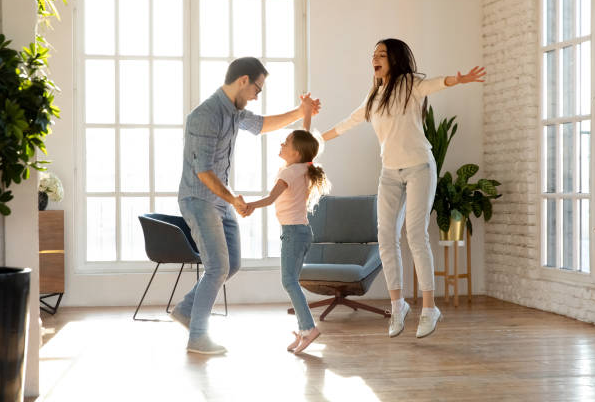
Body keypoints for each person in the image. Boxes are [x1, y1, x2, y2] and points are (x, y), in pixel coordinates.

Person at [321, 38, 485, 339]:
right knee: (385, 236)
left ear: (394, 59)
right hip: (390, 172)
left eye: (382, 54)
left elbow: (433, 84)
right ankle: (398, 306)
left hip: (420, 167)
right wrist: (316, 140)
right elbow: (349, 122)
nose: (375, 58)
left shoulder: (409, 84)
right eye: (373, 54)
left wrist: (457, 80)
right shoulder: (375, 95)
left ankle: (429, 308)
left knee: (415, 234)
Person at [172, 57, 321, 354]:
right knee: (217, 267)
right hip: (200, 198)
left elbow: (263, 124)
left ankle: (187, 310)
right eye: (257, 88)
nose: (257, 95)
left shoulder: (234, 113)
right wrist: (233, 199)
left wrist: (300, 112)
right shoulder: (206, 115)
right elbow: (203, 172)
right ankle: (198, 337)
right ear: (243, 80)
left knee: (233, 263)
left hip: (220, 199)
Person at [245, 100, 329, 354]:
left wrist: (249, 206)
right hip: (302, 233)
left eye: (286, 143)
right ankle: (305, 328)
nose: (281, 144)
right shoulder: (304, 165)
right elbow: (305, 138)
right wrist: (306, 115)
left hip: (293, 233)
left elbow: (270, 198)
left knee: (289, 282)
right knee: (290, 281)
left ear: (295, 153)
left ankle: (309, 328)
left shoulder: (288, 173)